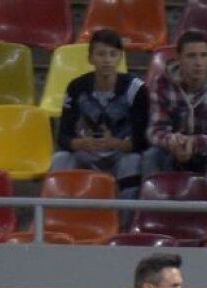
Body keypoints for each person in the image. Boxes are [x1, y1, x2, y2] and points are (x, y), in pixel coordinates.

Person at [52, 28, 149, 200]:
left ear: (120, 57)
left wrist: (116, 144)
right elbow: (63, 137)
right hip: (87, 152)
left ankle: (125, 216)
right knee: (61, 158)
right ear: (90, 58)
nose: (107, 60)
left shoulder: (136, 89)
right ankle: (55, 212)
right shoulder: (76, 87)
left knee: (132, 161)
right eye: (101, 54)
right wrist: (83, 143)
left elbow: (143, 141)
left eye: (113, 54)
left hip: (121, 154)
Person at [142, 31, 207, 180]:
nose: (198, 63)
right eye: (191, 56)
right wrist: (172, 142)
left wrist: (194, 143)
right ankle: (153, 194)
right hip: (173, 150)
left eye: (203, 55)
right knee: (151, 156)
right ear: (178, 59)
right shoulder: (161, 83)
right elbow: (155, 130)